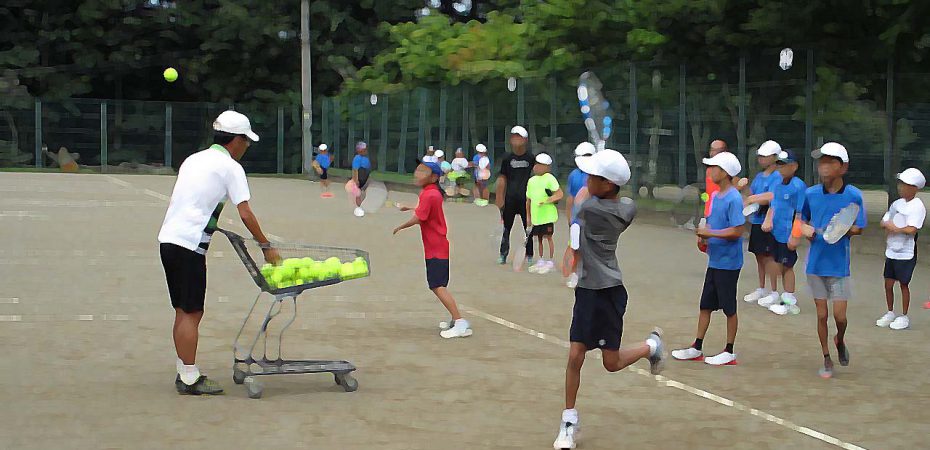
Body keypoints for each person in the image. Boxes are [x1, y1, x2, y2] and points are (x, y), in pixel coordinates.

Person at [158, 110, 280, 395]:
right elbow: (246, 212)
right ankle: (189, 378)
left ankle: (184, 370)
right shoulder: (230, 167)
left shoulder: (194, 159)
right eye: (246, 141)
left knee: (182, 310)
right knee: (192, 312)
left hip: (169, 241)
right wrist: (266, 246)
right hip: (189, 246)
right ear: (235, 140)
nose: (246, 147)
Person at [553, 149, 666, 450]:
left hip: (609, 293)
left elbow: (576, 208)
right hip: (589, 291)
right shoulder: (626, 208)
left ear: (608, 185)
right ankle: (568, 421)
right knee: (575, 355)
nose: (587, 180)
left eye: (594, 176)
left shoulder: (590, 208)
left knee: (611, 363)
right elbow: (620, 201)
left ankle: (651, 346)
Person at [799, 142, 866, 379]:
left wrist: (845, 230)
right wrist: (804, 228)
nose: (823, 166)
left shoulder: (854, 195)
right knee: (821, 315)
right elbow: (801, 219)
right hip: (815, 264)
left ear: (843, 167)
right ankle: (827, 358)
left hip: (839, 266)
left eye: (830, 161)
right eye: (821, 161)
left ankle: (839, 338)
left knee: (840, 316)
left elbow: (859, 227)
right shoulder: (810, 194)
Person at [672, 151, 744, 366]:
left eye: (714, 167)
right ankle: (697, 347)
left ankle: (729, 351)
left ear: (725, 172)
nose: (710, 171)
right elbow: (713, 226)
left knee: (729, 308)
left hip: (729, 263)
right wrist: (704, 241)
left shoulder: (733, 198)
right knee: (705, 306)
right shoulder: (714, 196)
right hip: (714, 260)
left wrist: (709, 234)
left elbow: (737, 231)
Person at [393, 161, 473, 339]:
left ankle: (460, 323)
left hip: (436, 248)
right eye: (418, 169)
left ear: (434, 177)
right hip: (436, 246)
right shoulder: (430, 193)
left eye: (423, 171)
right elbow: (425, 210)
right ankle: (456, 320)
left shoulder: (430, 195)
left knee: (437, 286)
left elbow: (420, 218)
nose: (417, 173)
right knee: (438, 285)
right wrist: (411, 207)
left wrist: (400, 226)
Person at [876, 168, 926, 330]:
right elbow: (884, 221)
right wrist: (888, 225)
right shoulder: (896, 204)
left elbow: (912, 229)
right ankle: (890, 312)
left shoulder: (918, 206)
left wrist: (895, 227)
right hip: (891, 250)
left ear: (915, 188)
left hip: (906, 252)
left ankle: (904, 316)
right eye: (900, 183)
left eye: (905, 184)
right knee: (888, 283)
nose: (900, 187)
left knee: (903, 284)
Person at [761, 149, 807, 315]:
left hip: (788, 234)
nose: (781, 168)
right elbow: (773, 206)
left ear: (794, 166)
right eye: (779, 164)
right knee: (775, 262)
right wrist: (768, 220)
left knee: (788, 267)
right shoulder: (777, 184)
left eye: (784, 165)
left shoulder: (798, 186)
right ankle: (777, 295)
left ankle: (789, 300)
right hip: (776, 233)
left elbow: (801, 213)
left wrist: (795, 235)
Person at [743, 140, 783, 307]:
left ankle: (774, 291)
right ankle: (762, 288)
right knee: (759, 256)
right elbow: (750, 195)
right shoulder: (759, 177)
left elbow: (774, 195)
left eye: (764, 156)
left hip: (771, 222)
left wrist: (753, 198)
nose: (761, 159)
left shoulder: (779, 176)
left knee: (770, 257)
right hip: (757, 220)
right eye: (760, 156)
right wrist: (744, 189)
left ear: (774, 157)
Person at [496, 126, 535, 265]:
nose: (516, 140)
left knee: (528, 228)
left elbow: (537, 177)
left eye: (519, 137)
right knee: (506, 228)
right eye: (514, 137)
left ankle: (529, 256)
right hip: (510, 199)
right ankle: (503, 254)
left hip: (526, 201)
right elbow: (502, 178)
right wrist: (499, 199)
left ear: (525, 140)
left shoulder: (531, 158)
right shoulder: (507, 158)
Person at [563, 142, 595, 288]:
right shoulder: (573, 175)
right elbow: (570, 198)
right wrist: (569, 217)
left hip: (594, 219)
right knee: (576, 248)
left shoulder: (598, 175)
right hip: (577, 219)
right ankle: (575, 274)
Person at [526, 153, 563, 274]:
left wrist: (547, 201)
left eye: (540, 165)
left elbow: (559, 194)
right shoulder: (531, 181)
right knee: (540, 239)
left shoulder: (550, 178)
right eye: (536, 164)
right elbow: (529, 200)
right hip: (537, 216)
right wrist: (528, 216)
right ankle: (541, 260)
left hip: (548, 216)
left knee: (548, 238)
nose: (537, 167)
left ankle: (550, 262)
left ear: (547, 167)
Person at [351, 141, 372, 217]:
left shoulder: (366, 158)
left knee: (363, 193)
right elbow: (355, 170)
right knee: (358, 194)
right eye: (364, 150)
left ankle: (360, 206)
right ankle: (359, 207)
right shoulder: (357, 158)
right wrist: (356, 180)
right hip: (360, 177)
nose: (365, 151)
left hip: (365, 177)